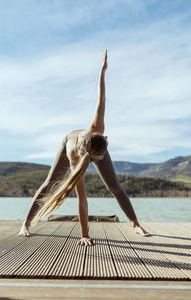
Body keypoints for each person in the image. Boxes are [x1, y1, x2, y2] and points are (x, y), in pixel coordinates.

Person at [19, 50, 150, 245]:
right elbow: (82, 199)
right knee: (50, 182)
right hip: (70, 143)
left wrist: (102, 71)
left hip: (90, 144)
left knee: (115, 187)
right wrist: (85, 234)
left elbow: (101, 98)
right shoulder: (75, 157)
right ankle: (26, 224)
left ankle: (135, 224)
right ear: (95, 157)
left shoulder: (97, 128)